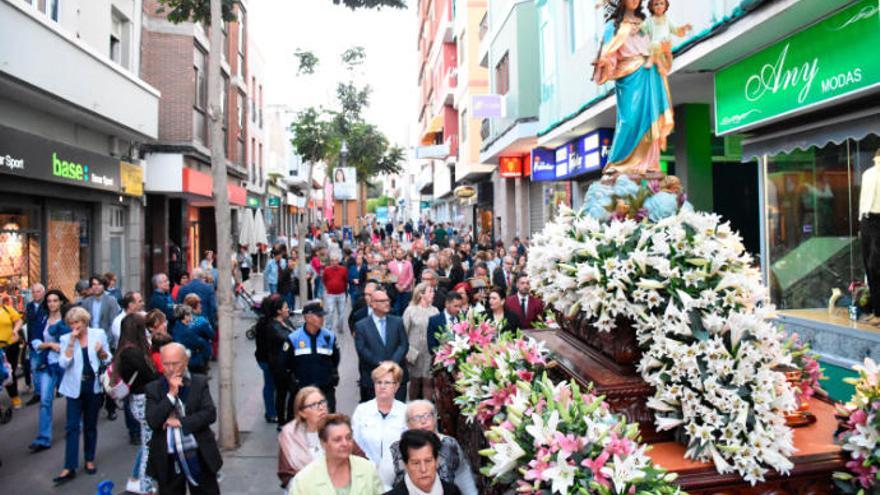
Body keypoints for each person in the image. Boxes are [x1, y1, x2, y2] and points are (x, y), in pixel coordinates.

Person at [593, 0, 673, 175]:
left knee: (651, 119)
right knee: (629, 120)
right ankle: (619, 164)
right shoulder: (613, 26)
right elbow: (609, 56)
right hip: (629, 77)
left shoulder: (647, 23)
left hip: (650, 74)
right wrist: (604, 62)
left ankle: (649, 164)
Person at [145, 343, 222, 494]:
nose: (171, 368)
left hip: (199, 454)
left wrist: (181, 422)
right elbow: (153, 421)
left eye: (175, 363)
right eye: (166, 364)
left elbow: (209, 413)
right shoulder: (154, 388)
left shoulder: (198, 382)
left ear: (186, 361)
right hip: (168, 460)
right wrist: (171, 395)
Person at [52, 306, 112, 485]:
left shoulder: (98, 333)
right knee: (71, 427)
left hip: (92, 386)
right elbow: (63, 364)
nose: (74, 326)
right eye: (71, 323)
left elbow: (108, 358)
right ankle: (69, 466)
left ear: (84, 321)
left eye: (77, 322)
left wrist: (102, 352)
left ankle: (89, 459)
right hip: (74, 388)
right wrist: (71, 342)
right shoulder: (65, 338)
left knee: (90, 425)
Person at [386, 401, 475, 495]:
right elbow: (384, 480)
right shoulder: (396, 449)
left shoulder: (449, 444)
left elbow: (463, 474)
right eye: (416, 418)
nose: (423, 421)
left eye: (428, 415)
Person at [115, 313, 161, 494]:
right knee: (148, 446)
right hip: (143, 400)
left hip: (138, 399)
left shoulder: (125, 350)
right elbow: (150, 375)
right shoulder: (132, 353)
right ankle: (144, 486)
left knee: (147, 444)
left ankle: (139, 482)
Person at [287, 413, 383, 495]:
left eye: (349, 437)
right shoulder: (303, 480)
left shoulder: (368, 470)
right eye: (337, 440)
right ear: (323, 443)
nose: (345, 443)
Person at [351, 362, 408, 490]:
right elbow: (355, 444)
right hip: (366, 475)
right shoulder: (362, 411)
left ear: (397, 386)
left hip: (399, 478)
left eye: (387, 383)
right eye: (378, 382)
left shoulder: (406, 412)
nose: (382, 386)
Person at [28, 289, 69, 452]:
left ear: (60, 302)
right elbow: (35, 341)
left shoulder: (68, 318)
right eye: (49, 301)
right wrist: (50, 345)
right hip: (47, 364)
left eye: (55, 300)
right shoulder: (42, 318)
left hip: (66, 364)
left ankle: (75, 426)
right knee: (45, 400)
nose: (52, 303)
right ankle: (44, 438)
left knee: (72, 396)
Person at [281, 301, 340, 413]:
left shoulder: (329, 337)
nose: (322, 319)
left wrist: (331, 376)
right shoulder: (294, 339)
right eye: (319, 316)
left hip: (324, 390)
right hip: (302, 391)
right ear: (307, 317)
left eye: (322, 316)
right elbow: (285, 364)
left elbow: (335, 359)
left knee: (327, 423)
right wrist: (293, 383)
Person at [355, 291, 409, 402]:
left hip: (396, 377)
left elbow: (403, 344)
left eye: (387, 300)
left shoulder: (397, 322)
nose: (387, 303)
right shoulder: (361, 326)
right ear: (373, 304)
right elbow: (362, 349)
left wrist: (392, 363)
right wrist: (380, 363)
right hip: (373, 379)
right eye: (382, 301)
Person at [277, 386, 329, 489]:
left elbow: (359, 460)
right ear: (302, 413)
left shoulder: (339, 428)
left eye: (322, 402)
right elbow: (286, 474)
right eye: (313, 405)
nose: (321, 407)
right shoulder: (290, 436)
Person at [384, 429, 463, 495]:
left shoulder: (453, 492)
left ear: (436, 461)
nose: (423, 469)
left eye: (428, 461)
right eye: (416, 463)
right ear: (406, 465)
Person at [402, 282, 438, 401]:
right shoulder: (410, 310)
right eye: (430, 291)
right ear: (421, 294)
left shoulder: (435, 311)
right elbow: (403, 332)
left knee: (428, 382)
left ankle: (427, 411)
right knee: (415, 383)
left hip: (429, 353)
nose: (433, 294)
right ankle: (412, 410)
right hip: (414, 353)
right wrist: (406, 352)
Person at [268, 296, 296, 428]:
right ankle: (282, 420)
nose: (288, 309)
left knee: (291, 391)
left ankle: (289, 418)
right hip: (279, 365)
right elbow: (288, 338)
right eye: (285, 307)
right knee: (281, 392)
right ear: (278, 311)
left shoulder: (287, 321)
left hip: (290, 363)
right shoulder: (272, 327)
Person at [254, 295, 279, 424]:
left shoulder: (262, 322)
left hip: (264, 359)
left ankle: (271, 411)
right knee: (270, 385)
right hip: (269, 360)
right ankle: (271, 412)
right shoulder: (269, 325)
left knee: (269, 385)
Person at [170, 305, 211, 375]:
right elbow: (199, 343)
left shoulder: (176, 326)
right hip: (192, 361)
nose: (191, 317)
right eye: (189, 315)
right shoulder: (187, 331)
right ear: (185, 316)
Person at [0, 295, 24, 409]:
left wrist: (15, 330)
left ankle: (14, 396)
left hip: (10, 346)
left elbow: (19, 321)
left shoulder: (7, 309)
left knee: (10, 372)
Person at [25, 283, 46, 406]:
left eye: (38, 291)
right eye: (33, 292)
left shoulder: (48, 304)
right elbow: (29, 325)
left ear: (43, 292)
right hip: (33, 342)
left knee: (49, 367)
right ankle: (38, 393)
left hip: (46, 341)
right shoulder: (29, 306)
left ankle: (57, 387)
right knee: (34, 368)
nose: (35, 294)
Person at [182, 293, 216, 362]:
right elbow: (212, 335)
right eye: (199, 304)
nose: (201, 306)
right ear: (196, 306)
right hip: (199, 355)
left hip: (185, 354)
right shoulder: (200, 321)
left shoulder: (181, 319)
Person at [322, 252, 349, 338]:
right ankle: (328, 329)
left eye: (336, 260)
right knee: (330, 312)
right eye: (332, 261)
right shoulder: (327, 270)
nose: (334, 262)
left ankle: (340, 327)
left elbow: (346, 280)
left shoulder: (343, 269)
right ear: (330, 262)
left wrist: (344, 291)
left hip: (341, 294)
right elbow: (324, 280)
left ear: (338, 261)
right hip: (330, 295)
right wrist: (329, 287)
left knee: (341, 313)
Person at [388, 248, 414, 316]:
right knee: (397, 308)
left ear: (403, 254)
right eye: (398, 253)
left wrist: (404, 286)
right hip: (395, 290)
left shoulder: (408, 263)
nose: (399, 255)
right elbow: (389, 275)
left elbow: (411, 276)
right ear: (395, 254)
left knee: (405, 308)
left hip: (406, 290)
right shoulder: (390, 264)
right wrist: (396, 285)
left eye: (401, 253)